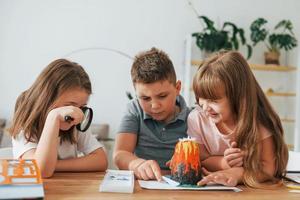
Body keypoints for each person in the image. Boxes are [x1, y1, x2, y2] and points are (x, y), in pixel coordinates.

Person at [187, 51, 288, 187]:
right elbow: (200, 159)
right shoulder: (197, 119)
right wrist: (224, 163)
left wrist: (237, 173)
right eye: (201, 97)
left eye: (213, 100)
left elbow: (268, 169)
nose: (205, 107)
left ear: (238, 97)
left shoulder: (259, 123)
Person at [8, 59, 108, 178]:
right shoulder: (26, 120)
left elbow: (101, 161)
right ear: (47, 99)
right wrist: (53, 117)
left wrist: (54, 165)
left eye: (82, 107)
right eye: (69, 105)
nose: (75, 113)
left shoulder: (75, 119)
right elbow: (41, 170)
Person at [113, 47, 190, 181]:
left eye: (162, 96)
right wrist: (138, 164)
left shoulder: (194, 117)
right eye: (145, 98)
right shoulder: (134, 109)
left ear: (177, 88)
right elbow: (120, 154)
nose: (154, 106)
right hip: (144, 185)